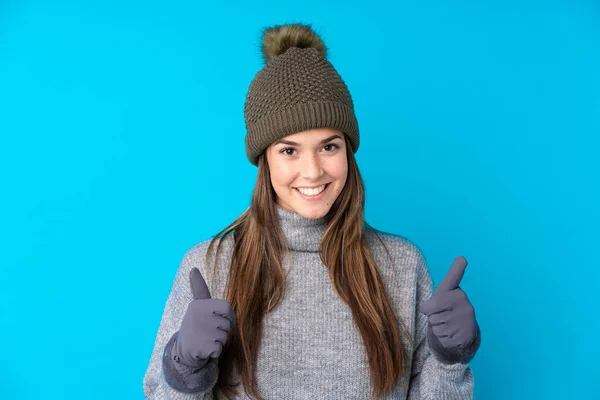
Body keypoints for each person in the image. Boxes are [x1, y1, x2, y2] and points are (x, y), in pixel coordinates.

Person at [143, 23, 481, 400]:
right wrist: (185, 369)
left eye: (329, 147)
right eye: (289, 150)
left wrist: (450, 360)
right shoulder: (211, 266)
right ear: (264, 161)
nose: (313, 171)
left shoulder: (402, 265)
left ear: (348, 152)